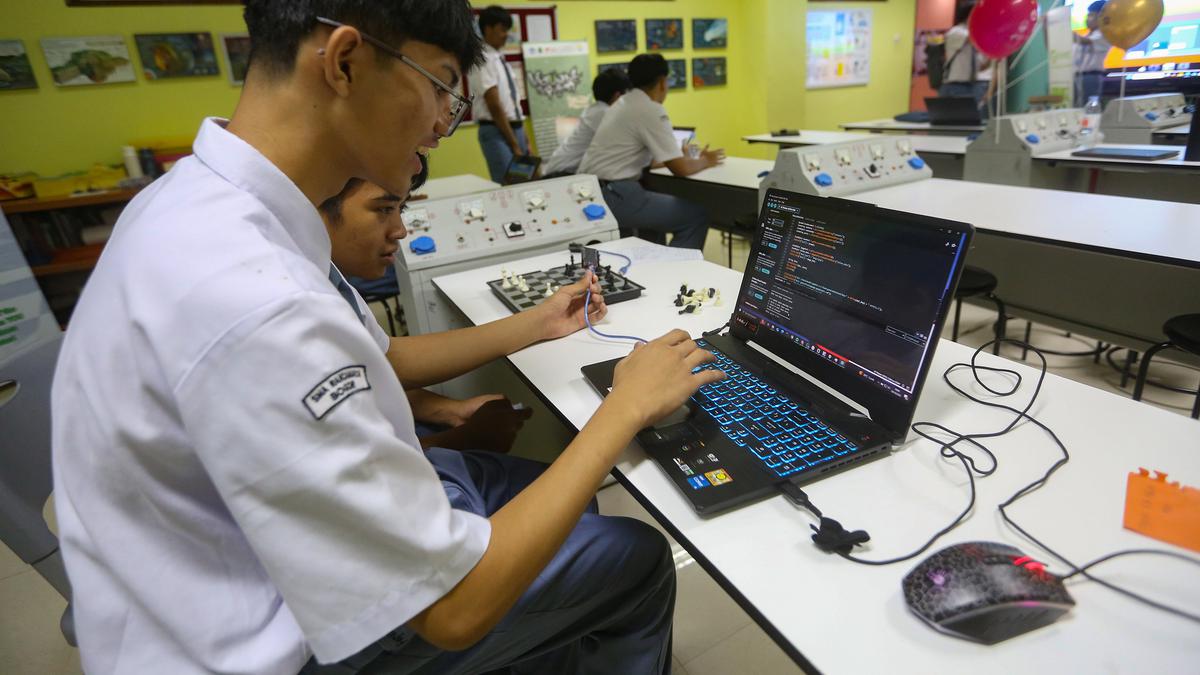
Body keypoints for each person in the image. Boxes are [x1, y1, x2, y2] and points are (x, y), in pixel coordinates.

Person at [50, 2, 724, 674]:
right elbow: (454, 609)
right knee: (636, 558)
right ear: (345, 61)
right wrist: (624, 406)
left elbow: (378, 355)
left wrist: (541, 322)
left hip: (220, 572)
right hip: (276, 638)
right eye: (438, 86)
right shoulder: (254, 298)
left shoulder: (207, 206)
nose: (441, 122)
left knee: (546, 488)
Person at [319, 164, 531, 455]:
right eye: (383, 209)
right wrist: (464, 440)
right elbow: (352, 463)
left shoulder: (330, 277)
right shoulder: (295, 303)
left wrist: (445, 409)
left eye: (401, 209)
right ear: (319, 198)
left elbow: (381, 361)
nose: (401, 231)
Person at [578, 54, 722, 250]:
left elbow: (640, 158)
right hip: (617, 194)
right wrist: (706, 160)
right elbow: (680, 169)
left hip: (590, 190)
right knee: (696, 216)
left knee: (653, 226)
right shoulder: (651, 109)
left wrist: (676, 155)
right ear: (663, 82)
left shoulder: (622, 103)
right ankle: (676, 272)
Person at [469, 5, 529, 183]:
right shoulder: (483, 59)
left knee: (524, 183)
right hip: (497, 131)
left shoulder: (499, 58)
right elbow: (494, 105)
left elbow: (512, 103)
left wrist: (524, 138)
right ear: (488, 28)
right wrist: (514, 144)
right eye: (502, 29)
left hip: (514, 129)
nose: (506, 35)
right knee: (509, 185)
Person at [542, 68, 631, 177]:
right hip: (563, 174)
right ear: (617, 96)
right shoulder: (605, 114)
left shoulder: (596, 109)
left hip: (560, 168)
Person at [940, 2, 993, 117]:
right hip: (954, 86)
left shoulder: (974, 45)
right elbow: (973, 38)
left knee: (970, 122)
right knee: (952, 123)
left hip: (971, 86)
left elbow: (982, 66)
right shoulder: (956, 32)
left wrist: (992, 55)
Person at [1074, 1, 1112, 105]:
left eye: (1091, 15)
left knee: (1088, 110)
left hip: (1091, 78)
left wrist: (1062, 29)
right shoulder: (1086, 35)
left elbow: (1086, 42)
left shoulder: (1105, 35)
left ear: (1101, 17)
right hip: (1076, 77)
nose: (1087, 19)